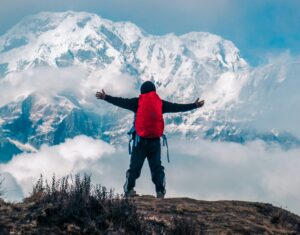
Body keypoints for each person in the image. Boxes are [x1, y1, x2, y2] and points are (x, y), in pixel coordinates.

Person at [96, 81, 204, 198]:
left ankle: (129, 190)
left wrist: (106, 97)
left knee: (134, 168)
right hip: (155, 141)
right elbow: (177, 107)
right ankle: (160, 191)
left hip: (140, 141)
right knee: (157, 168)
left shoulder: (137, 102)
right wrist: (194, 105)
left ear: (142, 91)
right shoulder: (160, 103)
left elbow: (121, 101)